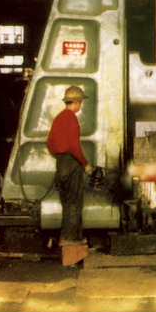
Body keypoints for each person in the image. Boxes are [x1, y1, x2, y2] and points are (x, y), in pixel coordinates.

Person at [45, 84, 93, 246]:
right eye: (80, 102)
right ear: (76, 102)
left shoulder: (58, 118)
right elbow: (74, 146)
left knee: (67, 203)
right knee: (75, 203)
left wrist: (60, 157)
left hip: (61, 163)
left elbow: (49, 143)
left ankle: (73, 238)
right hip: (72, 163)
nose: (81, 105)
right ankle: (69, 239)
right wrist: (85, 164)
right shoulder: (71, 118)